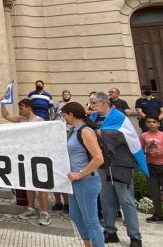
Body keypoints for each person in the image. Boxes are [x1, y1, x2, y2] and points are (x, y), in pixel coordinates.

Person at [88, 92, 142, 247]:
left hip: (120, 163)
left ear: (104, 102)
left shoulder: (118, 117)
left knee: (126, 200)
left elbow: (128, 137)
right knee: (106, 198)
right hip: (103, 164)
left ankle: (135, 236)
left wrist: (102, 133)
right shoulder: (93, 119)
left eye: (94, 102)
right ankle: (110, 231)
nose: (91, 106)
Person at [61, 102, 105, 247]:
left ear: (71, 114)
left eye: (65, 115)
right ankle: (88, 244)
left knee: (91, 220)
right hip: (75, 181)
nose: (64, 118)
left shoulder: (85, 131)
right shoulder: (74, 130)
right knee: (75, 215)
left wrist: (80, 174)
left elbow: (98, 158)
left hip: (86, 180)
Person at [9, 99, 51, 226]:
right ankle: (31, 208)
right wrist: (2, 104)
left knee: (41, 186)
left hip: (37, 156)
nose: (20, 111)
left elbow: (45, 137)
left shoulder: (39, 121)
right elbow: (6, 116)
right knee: (28, 184)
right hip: (25, 156)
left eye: (21, 108)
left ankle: (44, 213)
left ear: (28, 107)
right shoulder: (22, 120)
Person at [140, 115, 163, 230]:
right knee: (154, 193)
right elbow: (140, 150)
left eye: (154, 122)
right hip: (150, 166)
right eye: (149, 122)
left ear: (158, 124)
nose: (151, 124)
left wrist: (162, 154)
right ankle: (158, 214)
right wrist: (145, 154)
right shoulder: (143, 136)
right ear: (146, 124)